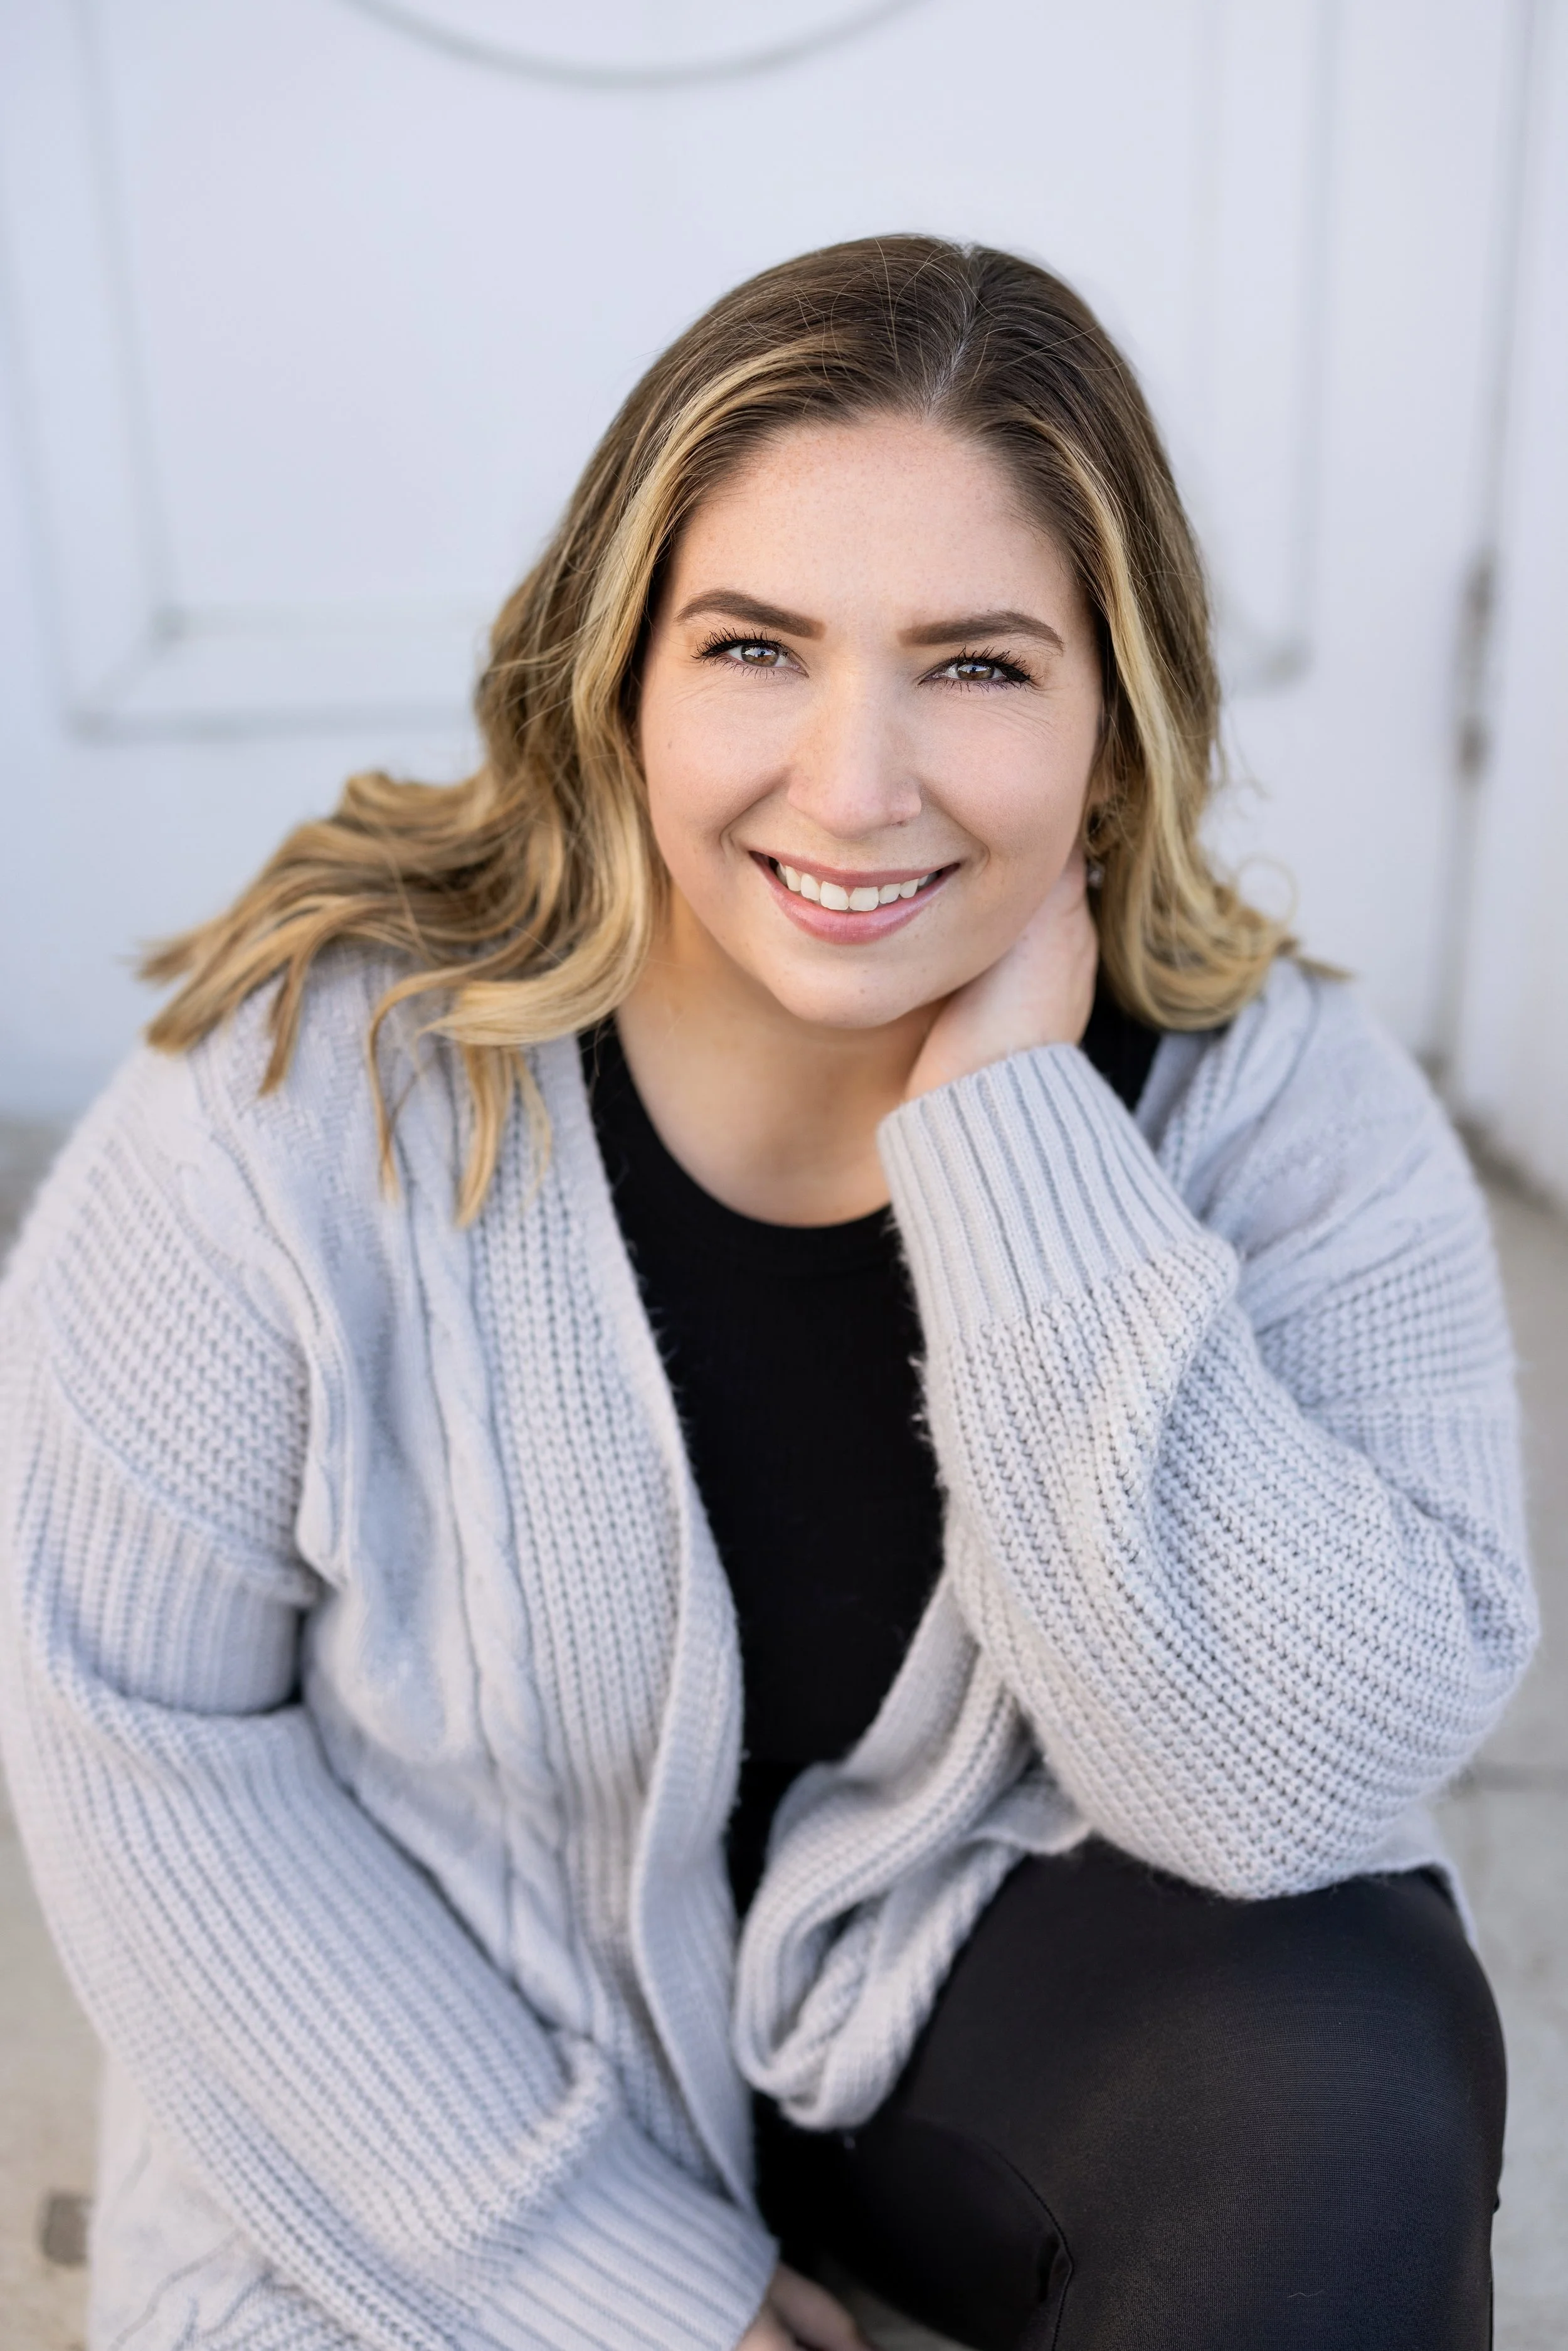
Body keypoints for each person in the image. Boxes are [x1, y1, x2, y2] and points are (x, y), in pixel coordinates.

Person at [0, 236, 1535, 2351]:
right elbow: (136, 1747)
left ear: (1113, 725)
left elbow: (1291, 1795)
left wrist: (1013, 1134)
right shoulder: (289, 1098)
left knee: (1345, 2068)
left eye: (978, 664)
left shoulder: (1282, 1108)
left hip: (980, 2020)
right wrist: (623, 2296)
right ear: (614, 671)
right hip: (448, 2068)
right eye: (753, 648)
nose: (852, 779)